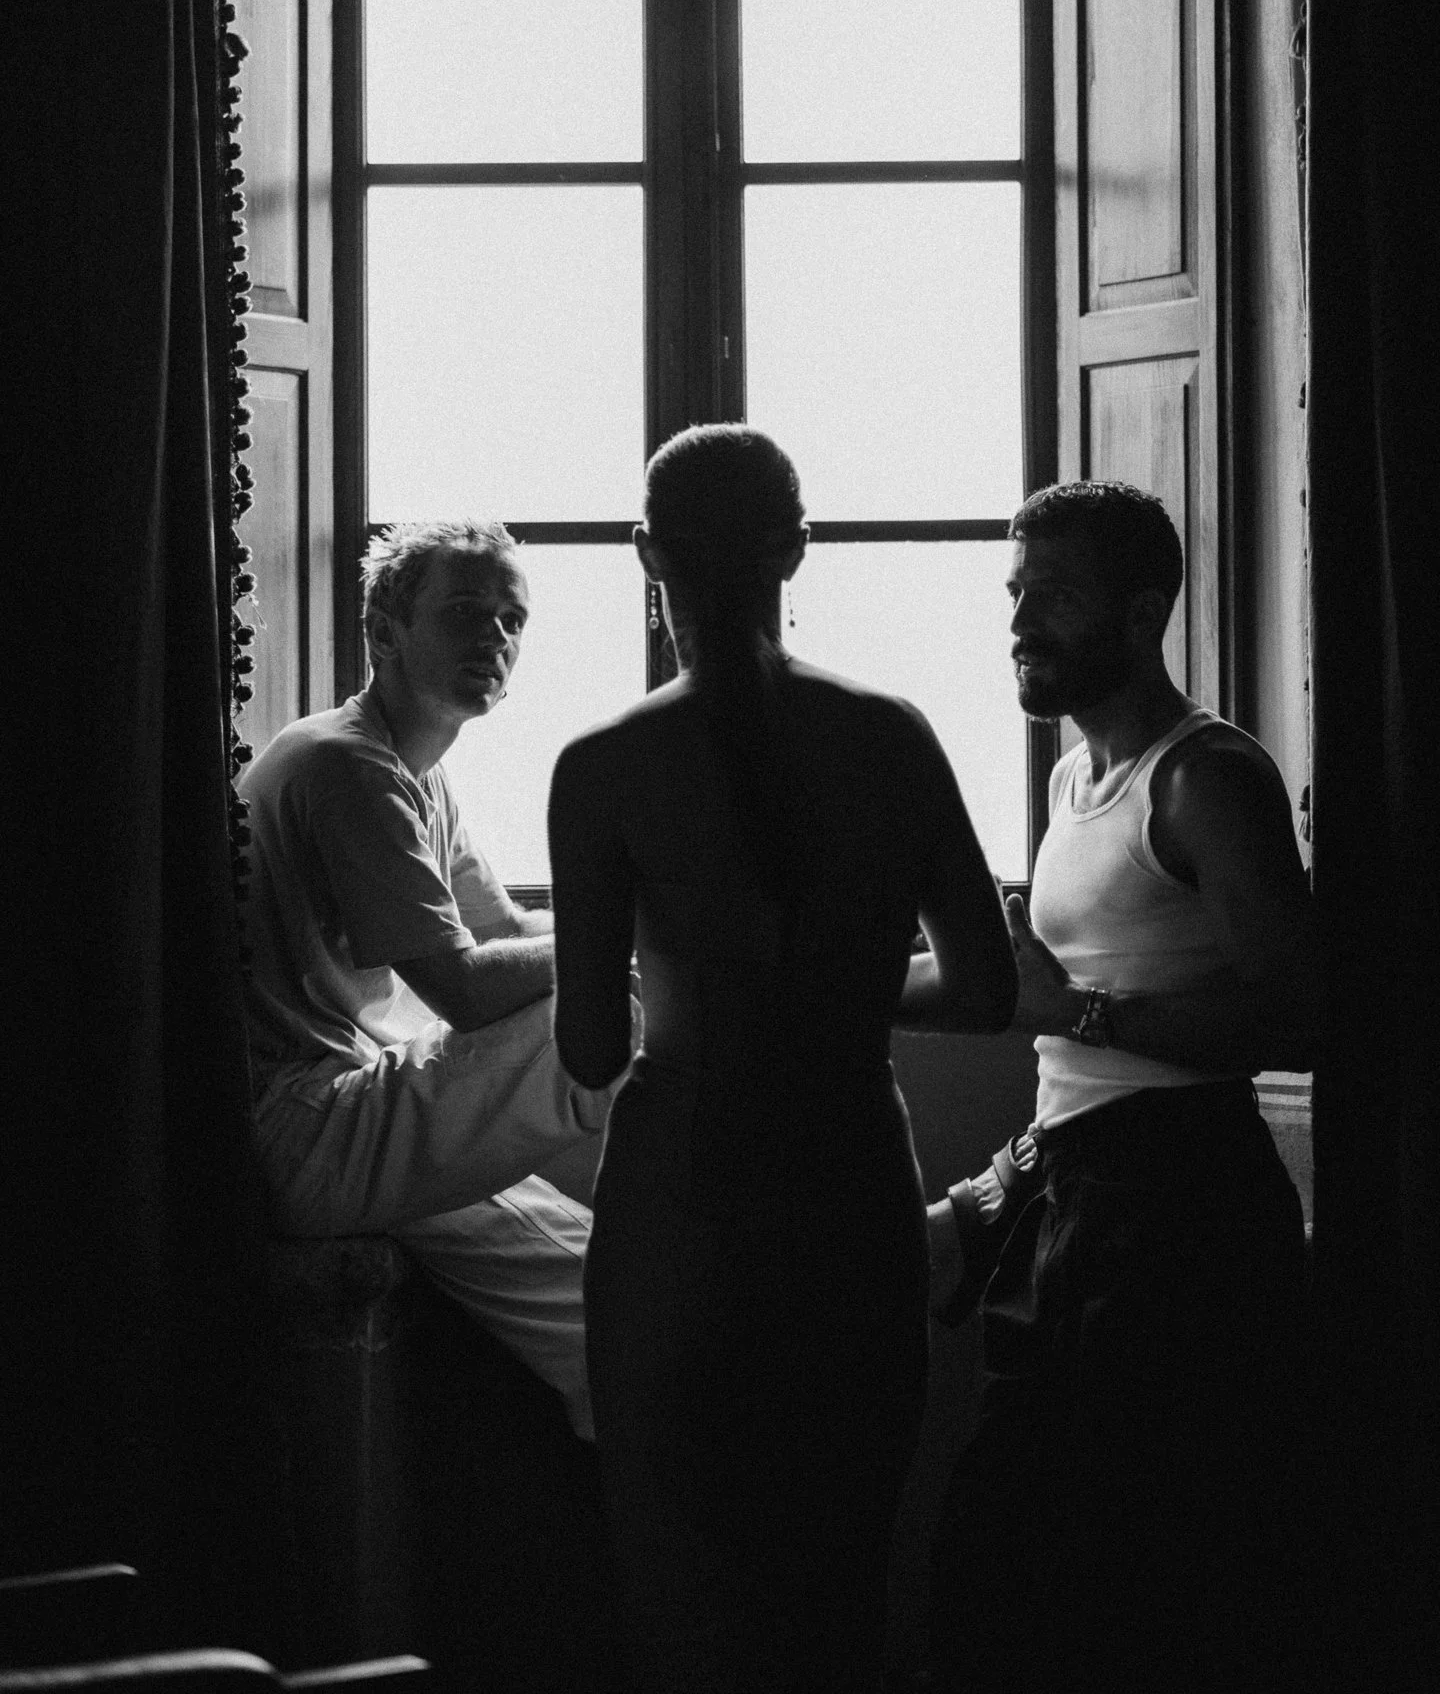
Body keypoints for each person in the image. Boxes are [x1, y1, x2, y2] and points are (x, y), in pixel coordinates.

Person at [548, 424, 1017, 1694]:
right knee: (840, 1585)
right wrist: (845, 992)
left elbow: (589, 1050)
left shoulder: (601, 766)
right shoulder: (895, 737)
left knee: (681, 1587)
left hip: (680, 1203)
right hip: (848, 1184)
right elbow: (985, 992)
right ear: (796, 548)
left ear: (645, 555)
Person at [927, 480, 1318, 1694]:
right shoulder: (1068, 781)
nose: (1019, 623)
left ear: (1142, 614)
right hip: (1067, 1189)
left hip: (1176, 1209)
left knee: (1123, 1580)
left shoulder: (1206, 780)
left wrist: (1080, 1013)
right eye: (1014, 593)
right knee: (1006, 1563)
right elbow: (1026, 995)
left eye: (1053, 596)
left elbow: (1301, 1014)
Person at [241, 518, 617, 1439]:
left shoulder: (417, 771)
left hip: (353, 1116)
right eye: (464, 614)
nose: (495, 639)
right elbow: (463, 987)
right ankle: (729, 1221)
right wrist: (630, 936)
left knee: (599, 1300)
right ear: (383, 629)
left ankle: (650, 1470)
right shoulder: (345, 764)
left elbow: (513, 932)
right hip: (308, 1128)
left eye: (510, 620)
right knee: (627, 1004)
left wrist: (637, 922)